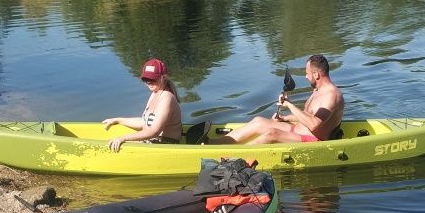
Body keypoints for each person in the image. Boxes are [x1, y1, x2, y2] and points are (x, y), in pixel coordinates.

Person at [208, 54, 344, 145]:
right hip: (298, 131)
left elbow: (314, 124)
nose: (306, 76)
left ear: (316, 74)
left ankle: (235, 157)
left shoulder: (331, 96)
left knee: (272, 133)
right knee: (259, 122)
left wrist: (290, 105)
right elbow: (307, 117)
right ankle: (212, 144)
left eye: (307, 73)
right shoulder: (318, 90)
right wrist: (284, 118)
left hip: (314, 141)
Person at [102, 58, 183, 152]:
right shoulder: (155, 93)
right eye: (145, 79)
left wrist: (122, 138)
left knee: (115, 144)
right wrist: (118, 120)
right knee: (113, 141)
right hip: (153, 141)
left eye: (152, 78)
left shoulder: (167, 97)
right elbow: (144, 123)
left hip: (165, 145)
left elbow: (154, 131)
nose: (148, 82)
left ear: (163, 77)